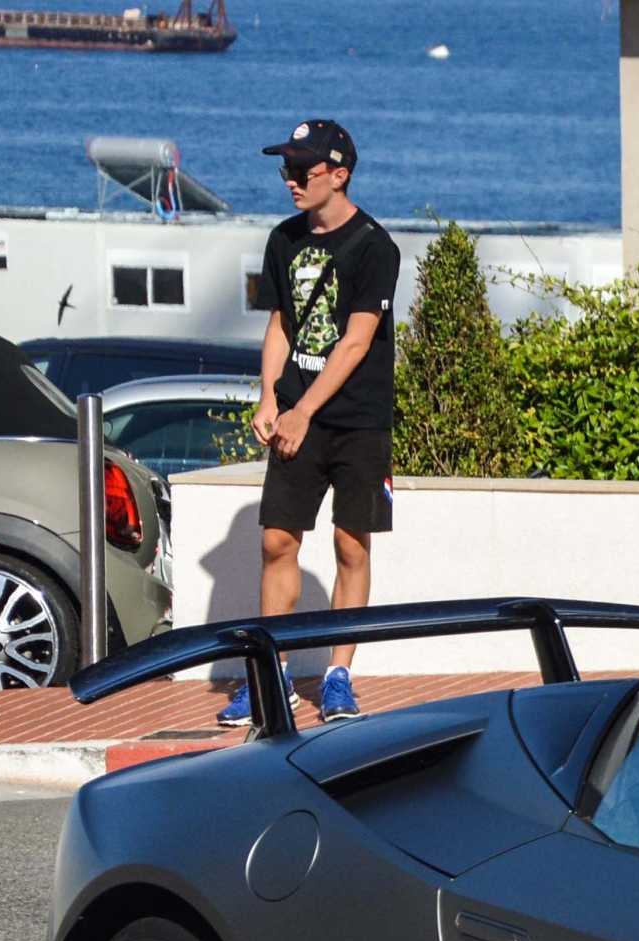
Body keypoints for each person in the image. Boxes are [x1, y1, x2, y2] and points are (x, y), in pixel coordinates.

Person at [219, 119, 401, 728]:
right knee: (276, 540)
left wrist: (302, 409)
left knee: (352, 543)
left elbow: (354, 343)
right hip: (298, 411)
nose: (291, 181)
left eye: (303, 170)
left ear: (339, 174)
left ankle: (339, 676)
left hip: (357, 420)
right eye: (285, 170)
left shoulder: (377, 247)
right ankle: (266, 673)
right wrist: (270, 397)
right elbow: (281, 322)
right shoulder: (284, 239)